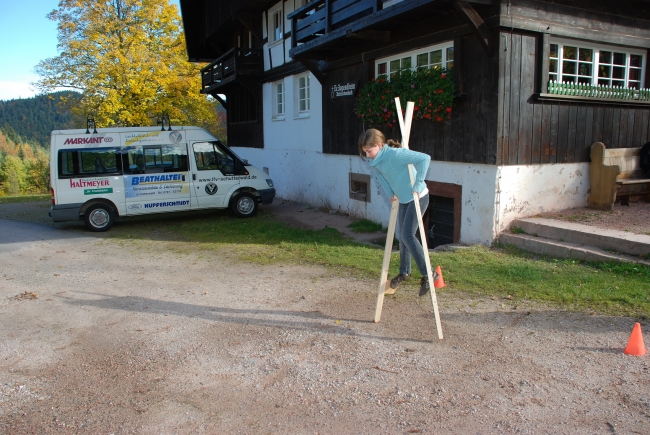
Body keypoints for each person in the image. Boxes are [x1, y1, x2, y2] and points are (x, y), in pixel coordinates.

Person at [358, 128, 435, 296]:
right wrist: (391, 194)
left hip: (418, 197)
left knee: (407, 235)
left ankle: (429, 274)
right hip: (404, 200)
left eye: (369, 151)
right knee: (402, 237)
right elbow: (382, 178)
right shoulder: (376, 162)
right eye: (365, 152)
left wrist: (418, 183)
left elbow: (424, 158)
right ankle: (405, 272)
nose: (368, 155)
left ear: (379, 145)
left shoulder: (396, 154)